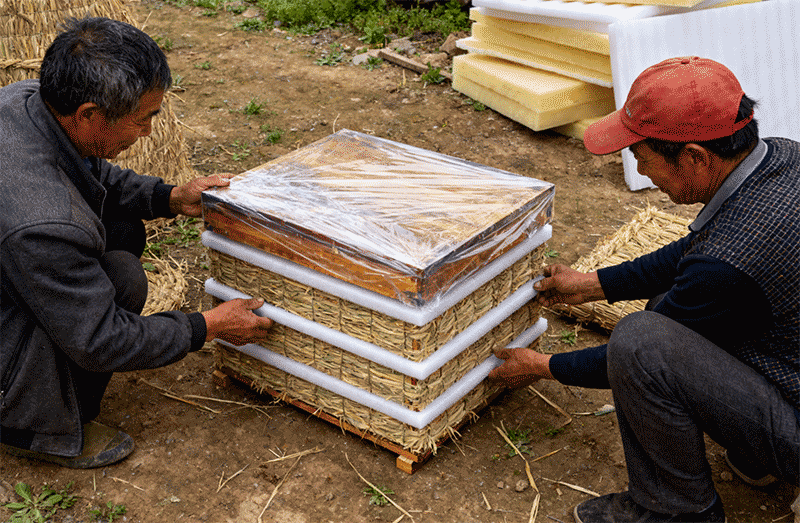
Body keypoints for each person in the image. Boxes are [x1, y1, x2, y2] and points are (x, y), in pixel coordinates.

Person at [489, 56, 800, 523]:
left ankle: (674, 511)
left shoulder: (726, 267)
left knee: (641, 340)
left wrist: (540, 365)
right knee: (666, 315)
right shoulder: (781, 158)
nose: (643, 173)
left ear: (694, 156)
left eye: (641, 157)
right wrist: (594, 284)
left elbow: (638, 353)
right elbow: (699, 250)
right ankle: (755, 456)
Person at [0, 17, 274, 469]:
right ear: (89, 115)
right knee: (122, 278)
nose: (147, 132)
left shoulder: (28, 102)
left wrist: (166, 197)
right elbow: (102, 340)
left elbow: (88, 171)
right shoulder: (42, 221)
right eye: (142, 120)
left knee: (123, 230)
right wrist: (206, 326)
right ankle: (32, 426)